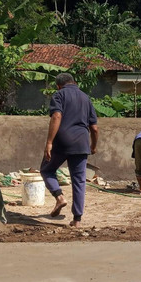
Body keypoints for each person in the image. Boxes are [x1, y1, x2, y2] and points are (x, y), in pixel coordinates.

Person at [41, 73, 99, 228]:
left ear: (59, 85)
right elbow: (94, 127)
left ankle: (59, 197)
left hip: (62, 141)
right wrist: (93, 146)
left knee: (46, 170)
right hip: (81, 143)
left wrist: (49, 142)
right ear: (75, 82)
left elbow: (56, 117)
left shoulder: (59, 95)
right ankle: (77, 220)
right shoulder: (86, 98)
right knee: (79, 181)